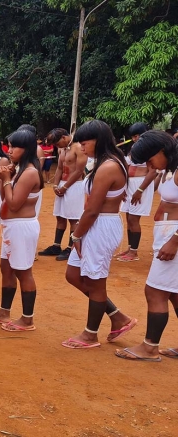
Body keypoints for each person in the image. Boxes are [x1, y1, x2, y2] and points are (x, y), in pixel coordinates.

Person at [62, 120, 138, 349]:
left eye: (84, 143)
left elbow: (93, 209)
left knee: (96, 282)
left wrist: (76, 235)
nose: (82, 148)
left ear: (98, 140)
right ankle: (117, 316)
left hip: (99, 226)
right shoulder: (107, 163)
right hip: (95, 225)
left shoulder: (108, 167)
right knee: (73, 275)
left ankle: (90, 334)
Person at [115, 131, 178, 361]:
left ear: (162, 151)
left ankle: (150, 347)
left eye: (150, 159)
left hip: (174, 239)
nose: (150, 164)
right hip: (169, 234)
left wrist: (174, 240)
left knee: (155, 291)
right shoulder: (172, 169)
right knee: (173, 294)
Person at [0, 129, 42, 331]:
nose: (11, 150)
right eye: (10, 145)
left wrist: (7, 177)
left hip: (21, 227)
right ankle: (4, 311)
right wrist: (6, 176)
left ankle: (27, 318)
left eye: (15, 146)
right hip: (11, 226)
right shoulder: (20, 169)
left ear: (27, 149)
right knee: (6, 268)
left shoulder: (30, 172)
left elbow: (14, 203)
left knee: (23, 272)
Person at [38, 128, 87, 261]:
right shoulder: (62, 149)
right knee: (60, 216)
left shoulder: (78, 148)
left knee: (73, 218)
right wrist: (55, 185)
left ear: (64, 137)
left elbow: (79, 171)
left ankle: (71, 247)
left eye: (57, 143)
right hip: (63, 186)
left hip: (75, 186)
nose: (56, 146)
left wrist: (65, 186)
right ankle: (56, 245)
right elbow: (59, 168)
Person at [117, 122, 156, 262]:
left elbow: (153, 172)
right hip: (130, 185)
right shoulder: (133, 148)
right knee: (129, 218)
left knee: (134, 219)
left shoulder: (151, 149)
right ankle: (130, 248)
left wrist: (140, 190)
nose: (134, 139)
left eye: (136, 136)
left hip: (141, 185)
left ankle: (134, 252)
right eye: (133, 136)